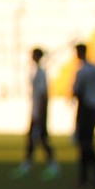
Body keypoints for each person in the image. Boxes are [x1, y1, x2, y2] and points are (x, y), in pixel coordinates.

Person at [10, 47, 58, 180]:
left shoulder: (41, 73)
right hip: (36, 111)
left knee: (40, 139)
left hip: (38, 113)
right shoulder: (37, 72)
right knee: (34, 139)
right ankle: (28, 165)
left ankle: (51, 165)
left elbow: (43, 95)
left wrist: (40, 115)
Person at [71, 42, 95, 189]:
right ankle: (93, 176)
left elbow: (76, 91)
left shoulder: (82, 71)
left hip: (85, 109)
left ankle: (86, 178)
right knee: (88, 142)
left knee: (84, 144)